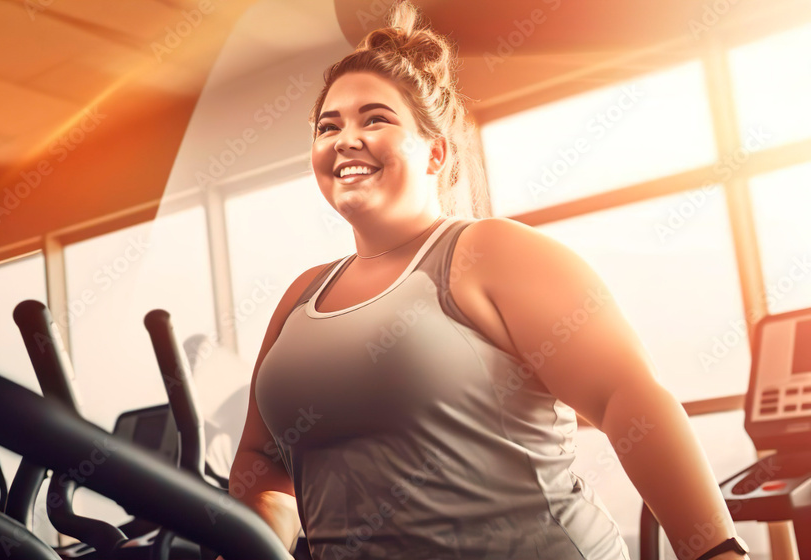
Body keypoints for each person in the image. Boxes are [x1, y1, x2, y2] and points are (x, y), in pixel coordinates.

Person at [227, 2, 750, 559]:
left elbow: (627, 398)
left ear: (435, 153)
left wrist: (716, 552)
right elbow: (265, 468)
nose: (344, 139)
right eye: (328, 127)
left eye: (374, 119)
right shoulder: (302, 296)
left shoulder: (489, 251)